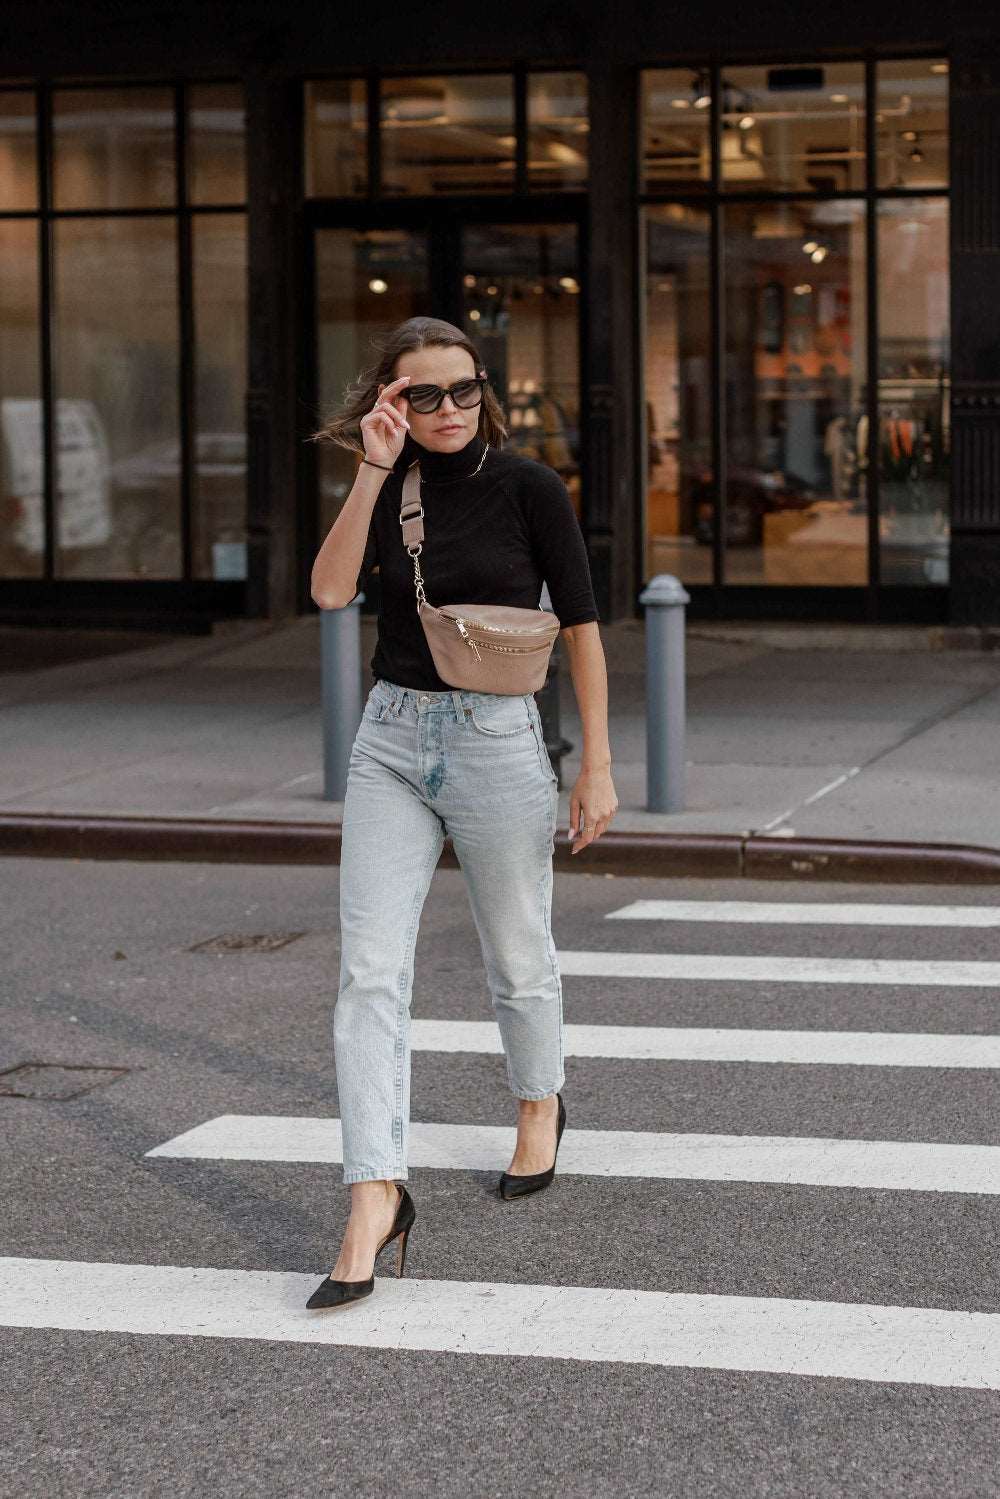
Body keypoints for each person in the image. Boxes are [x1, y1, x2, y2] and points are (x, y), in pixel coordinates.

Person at [305, 315, 617, 1311]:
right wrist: (368, 469)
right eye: (420, 395)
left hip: (496, 740)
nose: (445, 411)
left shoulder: (529, 488)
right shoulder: (385, 481)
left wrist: (596, 766)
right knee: (366, 972)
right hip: (390, 739)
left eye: (462, 390)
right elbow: (323, 592)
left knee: (517, 950)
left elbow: (582, 625)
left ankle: (538, 1102)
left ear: (488, 389)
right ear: (389, 400)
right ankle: (372, 1193)